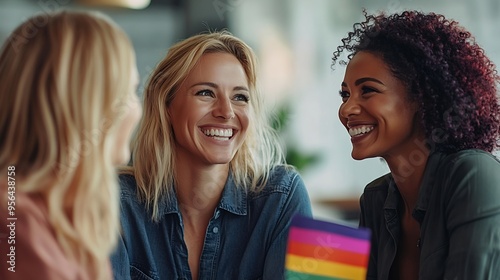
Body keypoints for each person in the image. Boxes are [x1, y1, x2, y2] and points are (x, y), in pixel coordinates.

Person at [110, 31, 313, 280]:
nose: (226, 112)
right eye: (205, 93)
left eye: (240, 97)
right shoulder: (116, 201)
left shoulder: (284, 195)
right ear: (167, 106)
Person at [332, 10, 500, 280]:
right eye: (345, 94)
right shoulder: (374, 200)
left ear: (422, 97)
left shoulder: (474, 176)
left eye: (368, 90)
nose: (347, 109)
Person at [0, 10, 142, 280]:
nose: (138, 109)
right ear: (87, 106)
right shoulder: (17, 226)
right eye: (130, 92)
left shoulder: (62, 215)